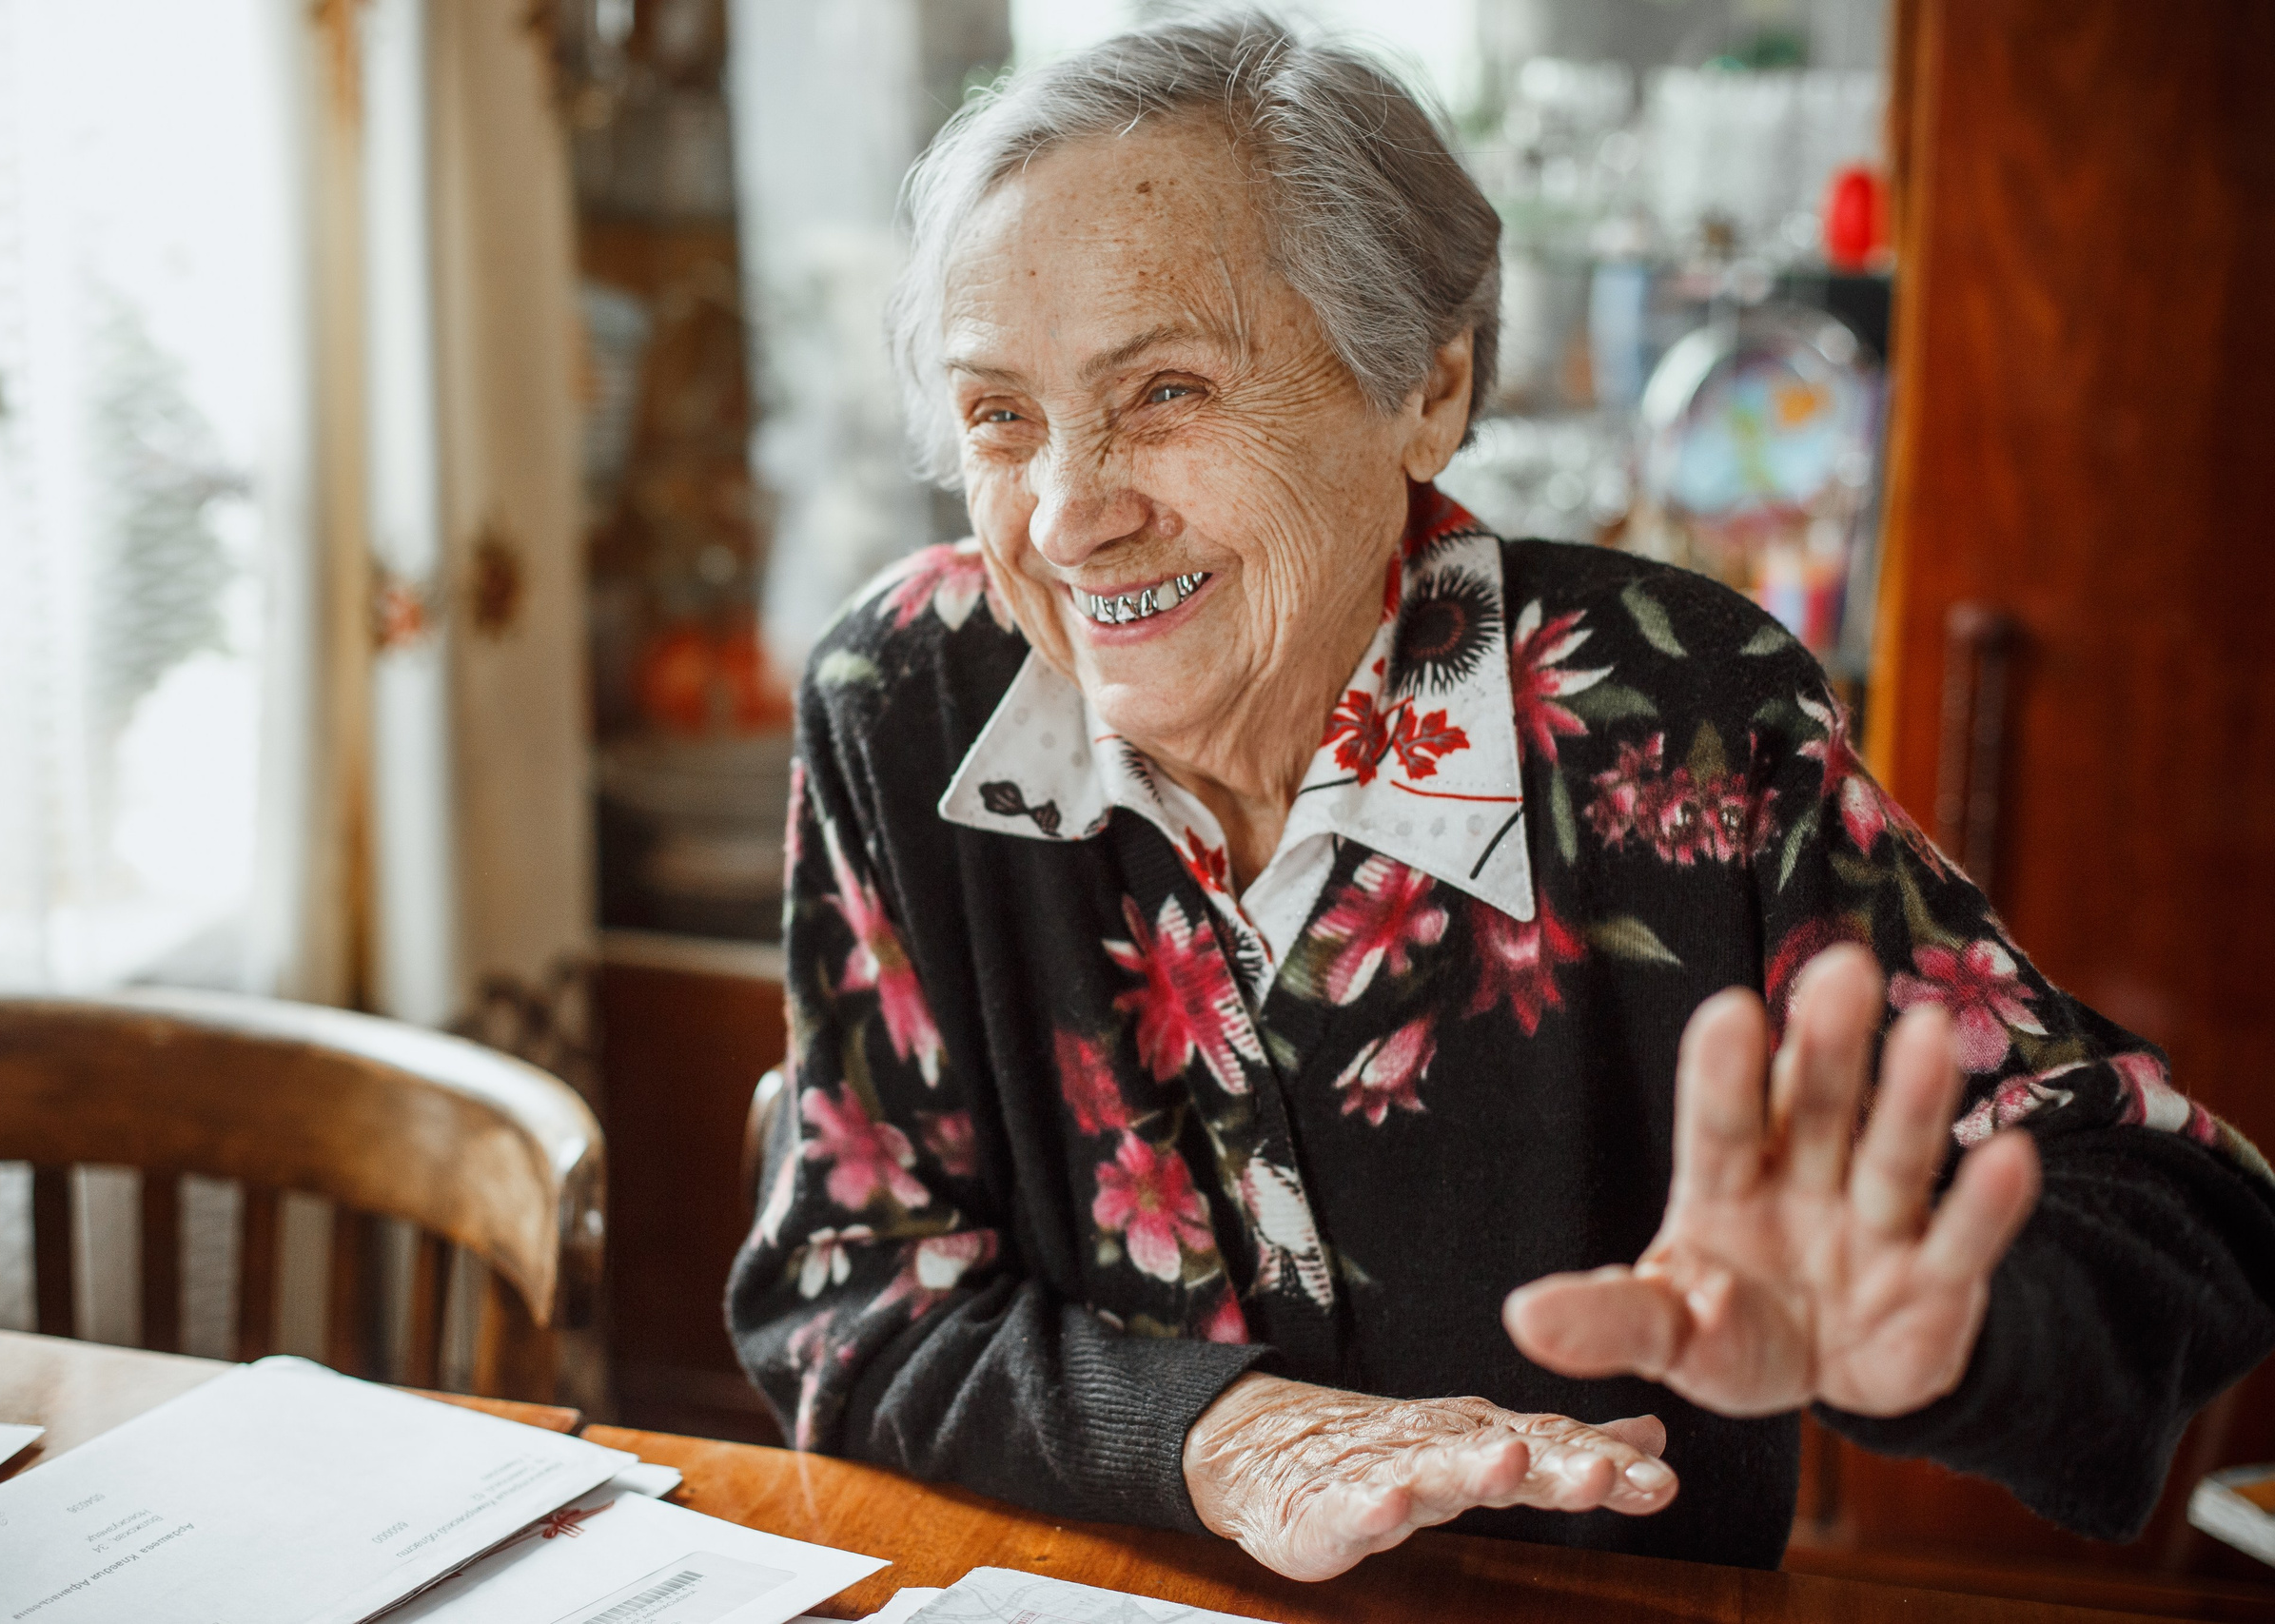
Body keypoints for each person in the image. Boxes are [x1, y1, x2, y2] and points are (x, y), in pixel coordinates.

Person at [727, 11, 2275, 1580]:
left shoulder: (1672, 719)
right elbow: (855, 1299)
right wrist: (1225, 1435)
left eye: (1168, 391)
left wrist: (1949, 1330)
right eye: (1002, 416)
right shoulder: (914, 698)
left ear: (1429, 385)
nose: (1067, 515)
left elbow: (2183, 1208)